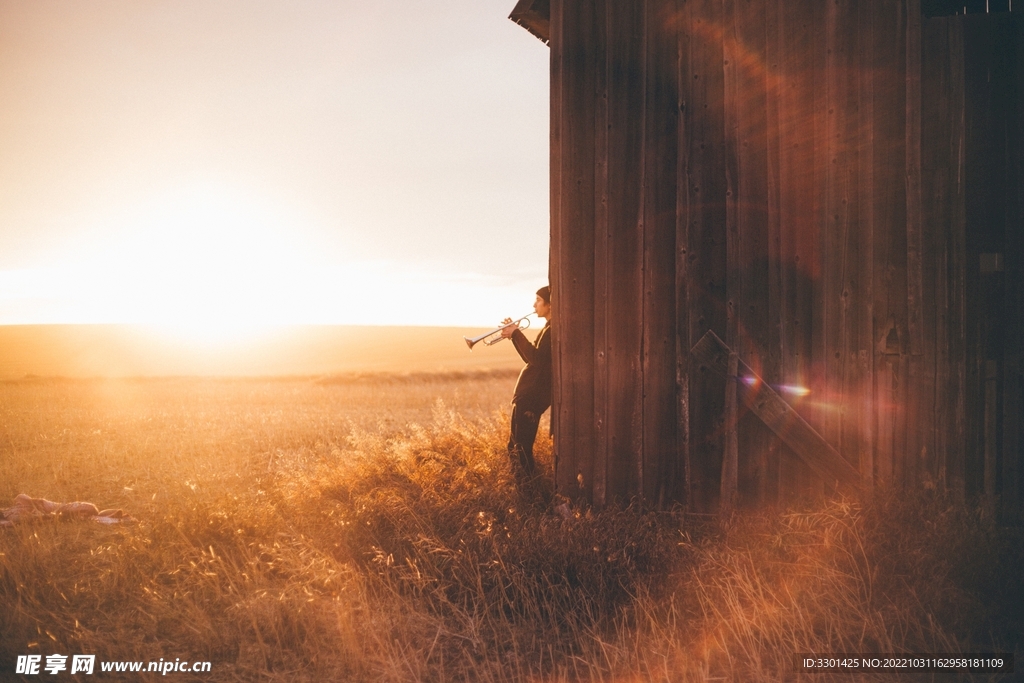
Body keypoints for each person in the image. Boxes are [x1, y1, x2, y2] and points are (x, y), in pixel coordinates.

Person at [500, 286, 552, 482]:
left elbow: (536, 359)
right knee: (514, 448)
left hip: (531, 398)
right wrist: (513, 336)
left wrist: (516, 334)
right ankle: (525, 492)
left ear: (550, 304)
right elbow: (531, 359)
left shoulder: (552, 330)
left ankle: (531, 494)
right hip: (527, 396)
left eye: (538, 300)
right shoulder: (548, 328)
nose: (534, 304)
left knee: (520, 449)